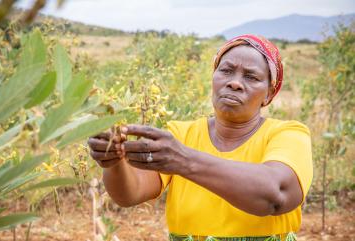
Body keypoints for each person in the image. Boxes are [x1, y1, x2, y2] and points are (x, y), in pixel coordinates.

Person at [88, 34, 313, 241]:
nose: (234, 82)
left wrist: (182, 160)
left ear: (269, 94)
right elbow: (129, 194)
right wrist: (114, 161)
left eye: (251, 77)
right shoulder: (180, 135)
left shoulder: (288, 134)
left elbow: (277, 194)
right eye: (226, 71)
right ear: (213, 77)